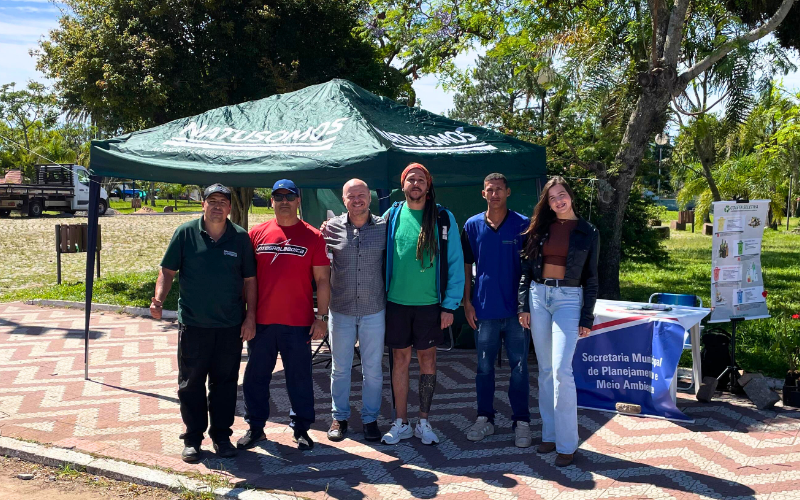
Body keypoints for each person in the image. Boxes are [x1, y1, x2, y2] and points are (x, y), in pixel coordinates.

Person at [151, 183, 257, 463]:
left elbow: (250, 281)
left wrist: (250, 316)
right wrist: (158, 299)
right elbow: (167, 270)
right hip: (194, 325)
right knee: (191, 383)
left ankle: (222, 436)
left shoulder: (240, 238)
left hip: (229, 326)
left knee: (225, 384)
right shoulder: (186, 233)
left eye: (223, 201)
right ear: (203, 204)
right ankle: (193, 438)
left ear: (230, 208)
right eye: (212, 201)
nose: (218, 206)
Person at [238, 179, 331, 451]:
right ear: (271, 201)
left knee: (299, 378)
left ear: (298, 200)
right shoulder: (256, 234)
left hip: (298, 323)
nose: (284, 201)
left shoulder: (313, 236)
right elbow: (245, 278)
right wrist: (246, 316)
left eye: (290, 196)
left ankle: (301, 428)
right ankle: (256, 428)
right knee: (256, 377)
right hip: (261, 322)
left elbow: (323, 280)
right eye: (278, 196)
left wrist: (321, 318)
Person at [518, 176, 599, 467]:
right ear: (547, 202)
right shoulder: (539, 228)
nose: (558, 201)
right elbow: (526, 269)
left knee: (563, 370)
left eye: (561, 195)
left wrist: (587, 315)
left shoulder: (588, 231)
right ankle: (550, 435)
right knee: (545, 370)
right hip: (539, 297)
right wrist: (523, 305)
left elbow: (592, 277)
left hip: (569, 298)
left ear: (570, 196)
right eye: (552, 198)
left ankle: (567, 445)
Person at [381, 163, 464, 445]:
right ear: (402, 185)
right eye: (410, 179)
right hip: (396, 304)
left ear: (428, 185)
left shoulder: (443, 217)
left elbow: (454, 262)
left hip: (431, 305)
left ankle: (424, 422)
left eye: (421, 180)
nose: (415, 184)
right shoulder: (391, 215)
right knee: (400, 361)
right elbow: (365, 234)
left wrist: (449, 306)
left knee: (427, 360)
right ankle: (401, 422)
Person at [461, 173, 532, 447]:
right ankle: (485, 419)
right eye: (489, 190)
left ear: (508, 192)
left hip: (516, 312)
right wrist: (467, 302)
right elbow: (467, 267)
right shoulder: (472, 225)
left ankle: (521, 421)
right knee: (483, 368)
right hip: (484, 310)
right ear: (483, 194)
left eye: (499, 190)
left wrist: (527, 307)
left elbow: (531, 269)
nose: (494, 194)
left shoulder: (523, 225)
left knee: (520, 368)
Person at [322, 179, 387, 443]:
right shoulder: (330, 229)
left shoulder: (385, 227)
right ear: (343, 199)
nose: (357, 200)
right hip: (342, 310)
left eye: (362, 195)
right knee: (340, 368)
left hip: (374, 309)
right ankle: (340, 417)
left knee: (372, 369)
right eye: (352, 196)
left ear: (370, 198)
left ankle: (371, 419)